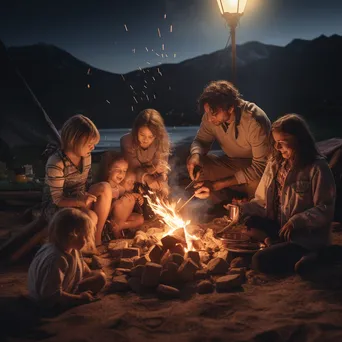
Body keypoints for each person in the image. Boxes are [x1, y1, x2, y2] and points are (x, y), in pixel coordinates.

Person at [238, 114, 336, 274]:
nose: (277, 148)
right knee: (249, 221)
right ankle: (276, 244)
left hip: (303, 236)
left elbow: (325, 208)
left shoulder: (317, 168)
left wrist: (296, 221)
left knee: (259, 261)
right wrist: (243, 208)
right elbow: (262, 201)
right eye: (275, 143)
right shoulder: (275, 164)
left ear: (298, 140)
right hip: (279, 227)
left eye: (282, 143)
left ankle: (318, 255)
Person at [187, 80, 271, 200]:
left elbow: (260, 167)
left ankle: (249, 208)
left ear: (231, 108)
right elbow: (201, 141)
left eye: (214, 114)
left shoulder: (254, 120)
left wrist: (216, 185)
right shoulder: (210, 117)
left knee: (257, 183)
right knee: (199, 168)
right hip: (232, 163)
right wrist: (196, 154)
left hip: (255, 167)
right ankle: (221, 201)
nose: (209, 119)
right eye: (207, 113)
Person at [42, 115, 112, 251]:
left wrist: (86, 197)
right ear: (74, 141)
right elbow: (57, 199)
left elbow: (85, 182)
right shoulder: (56, 162)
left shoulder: (86, 156)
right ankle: (79, 251)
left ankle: (96, 241)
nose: (93, 148)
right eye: (89, 144)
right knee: (91, 217)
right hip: (57, 205)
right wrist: (80, 202)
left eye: (94, 144)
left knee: (105, 187)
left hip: (78, 196)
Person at [28, 208, 106, 310]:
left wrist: (94, 274)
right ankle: (68, 303)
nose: (87, 240)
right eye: (85, 236)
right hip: (48, 301)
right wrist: (80, 298)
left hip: (64, 287)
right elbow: (51, 295)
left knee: (100, 277)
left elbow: (85, 271)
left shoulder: (71, 249)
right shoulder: (57, 259)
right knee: (99, 279)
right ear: (72, 235)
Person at [120, 108, 171, 197]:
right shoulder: (127, 140)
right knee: (128, 179)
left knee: (164, 189)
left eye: (151, 137)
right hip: (134, 176)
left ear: (157, 135)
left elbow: (162, 167)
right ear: (136, 131)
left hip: (153, 175)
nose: (146, 140)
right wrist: (147, 177)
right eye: (142, 135)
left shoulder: (162, 141)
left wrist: (162, 176)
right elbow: (133, 168)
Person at [101, 152, 144, 238]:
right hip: (107, 220)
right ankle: (117, 234)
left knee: (140, 219)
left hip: (119, 221)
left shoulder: (120, 189)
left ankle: (119, 227)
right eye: (118, 170)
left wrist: (137, 196)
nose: (121, 173)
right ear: (109, 169)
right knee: (123, 201)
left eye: (124, 171)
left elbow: (127, 203)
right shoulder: (104, 187)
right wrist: (116, 203)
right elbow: (103, 211)